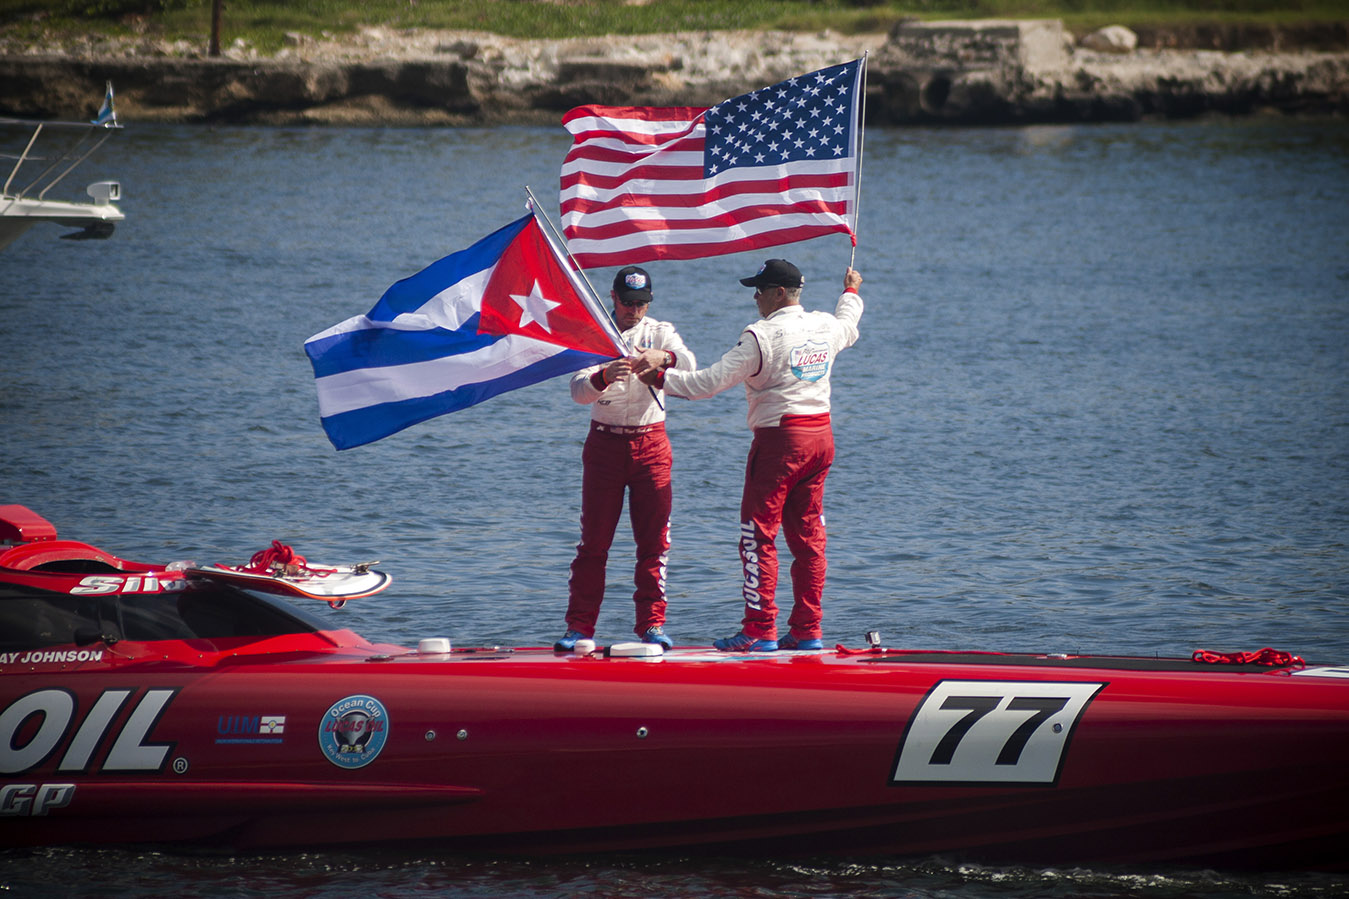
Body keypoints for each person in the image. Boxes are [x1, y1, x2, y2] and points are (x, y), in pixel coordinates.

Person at [634, 259, 863, 652]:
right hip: (821, 440)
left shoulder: (760, 336)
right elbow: (850, 323)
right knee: (809, 538)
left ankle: (760, 630)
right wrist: (851, 290)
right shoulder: (826, 324)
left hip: (780, 443)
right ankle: (808, 630)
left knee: (758, 536)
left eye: (760, 290)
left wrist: (657, 377)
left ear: (779, 293)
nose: (755, 297)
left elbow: (706, 384)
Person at [555, 265, 696, 652]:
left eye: (642, 303)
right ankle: (579, 628)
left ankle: (651, 625)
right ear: (613, 298)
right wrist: (603, 376)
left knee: (654, 544)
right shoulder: (593, 333)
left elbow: (690, 365)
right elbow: (577, 392)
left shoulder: (660, 331)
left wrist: (664, 357)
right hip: (604, 445)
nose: (635, 310)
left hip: (652, 444)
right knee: (593, 544)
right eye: (628, 302)